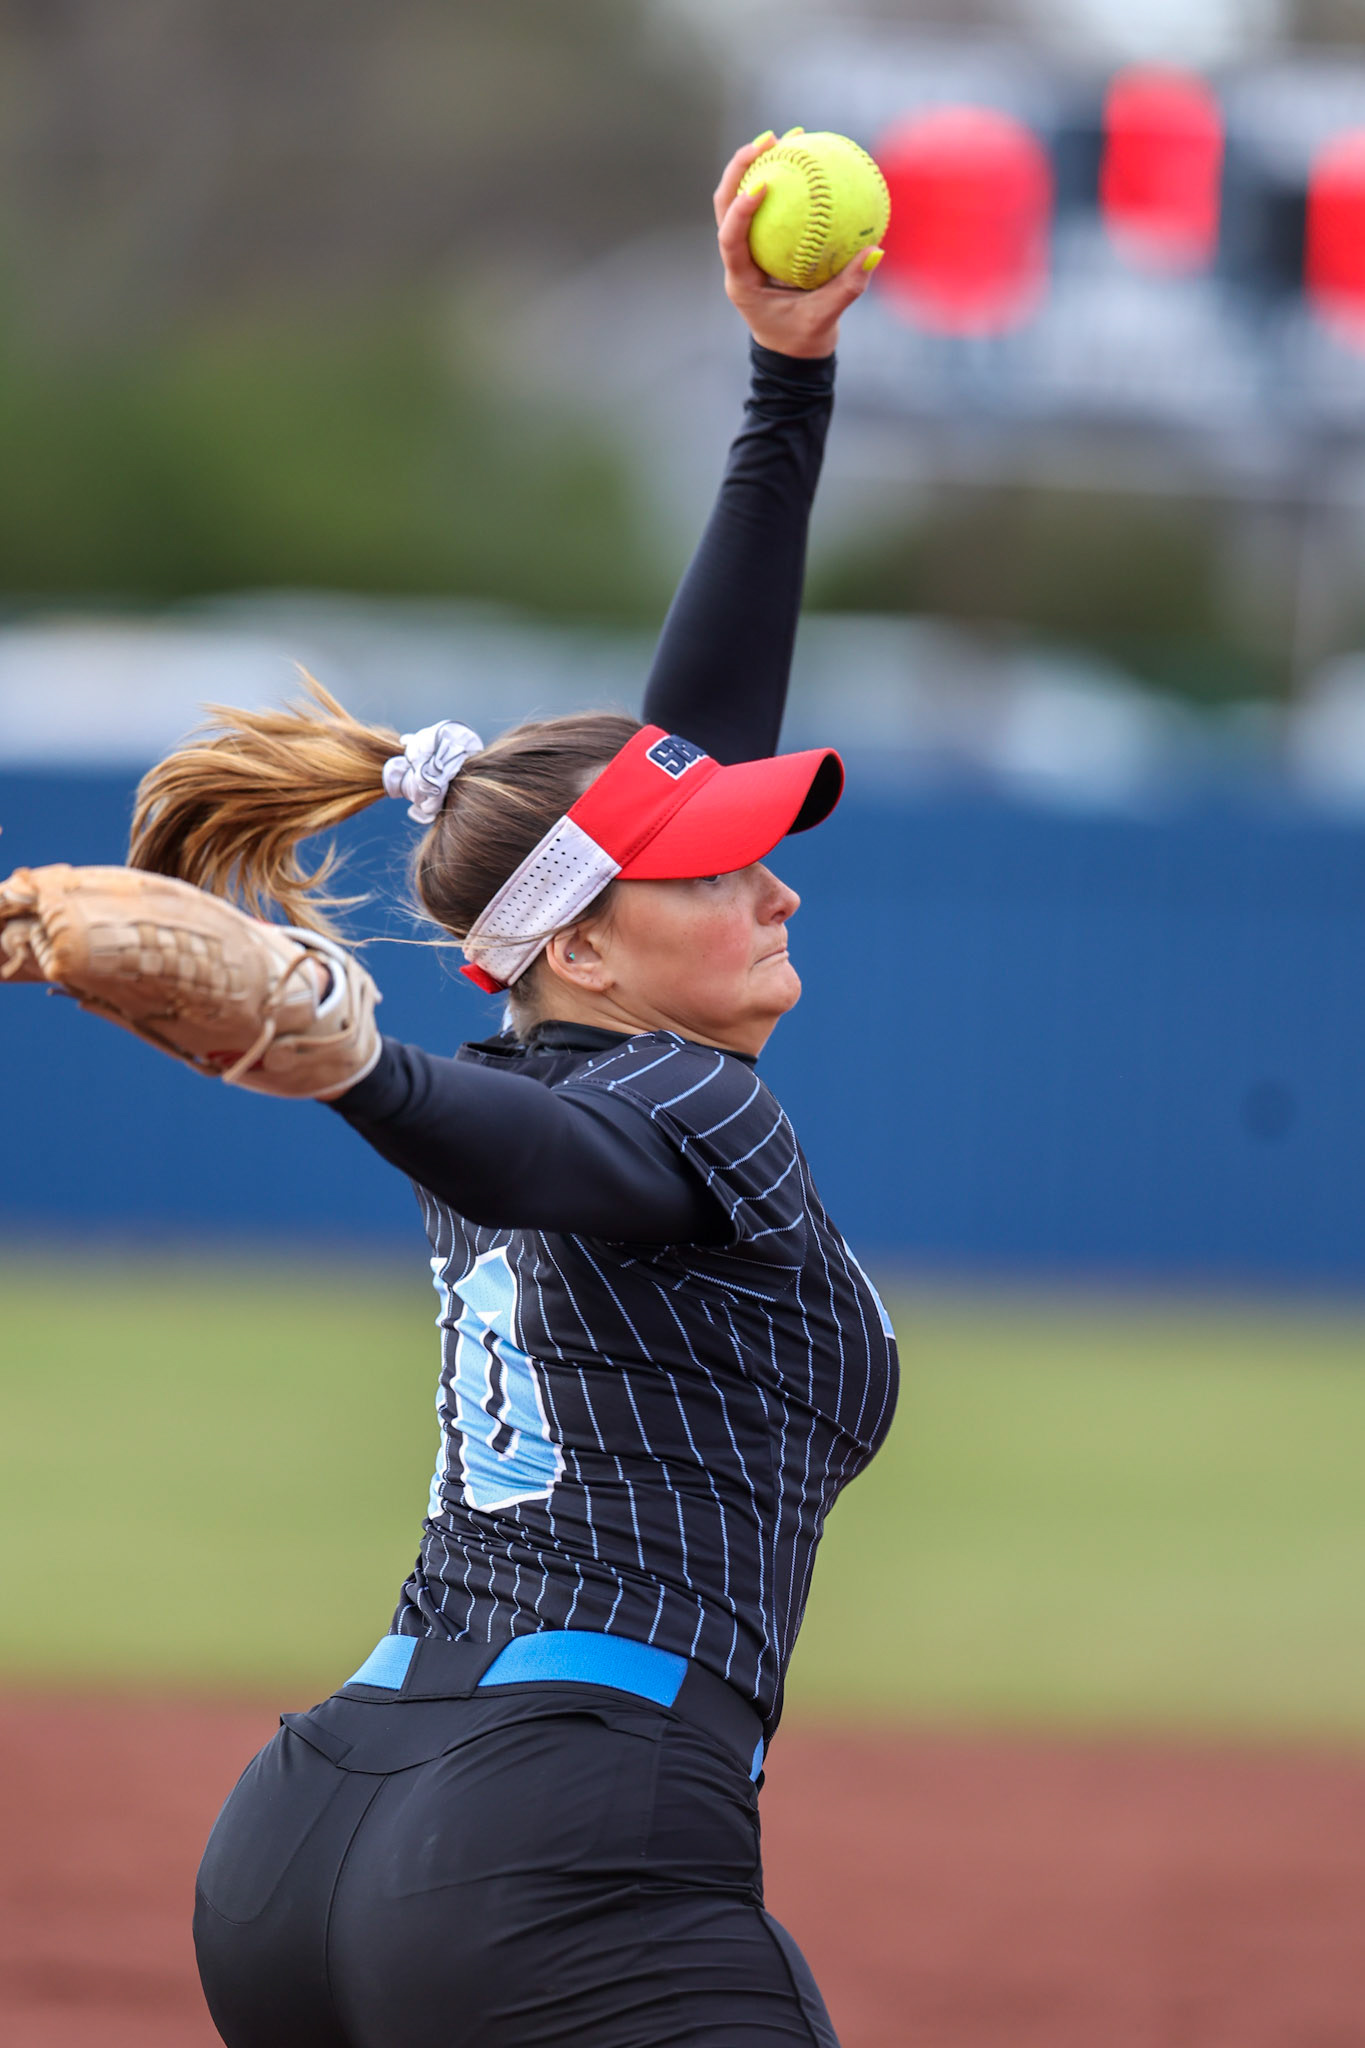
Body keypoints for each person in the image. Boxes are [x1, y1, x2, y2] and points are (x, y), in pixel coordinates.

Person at [142, 137, 898, 2048]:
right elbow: (565, 1150)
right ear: (577, 944)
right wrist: (349, 1066)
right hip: (553, 1843)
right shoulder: (676, 1109)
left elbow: (671, 773)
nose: (776, 875)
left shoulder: (547, 1045)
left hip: (321, 1834)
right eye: (721, 867)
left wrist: (783, 382)